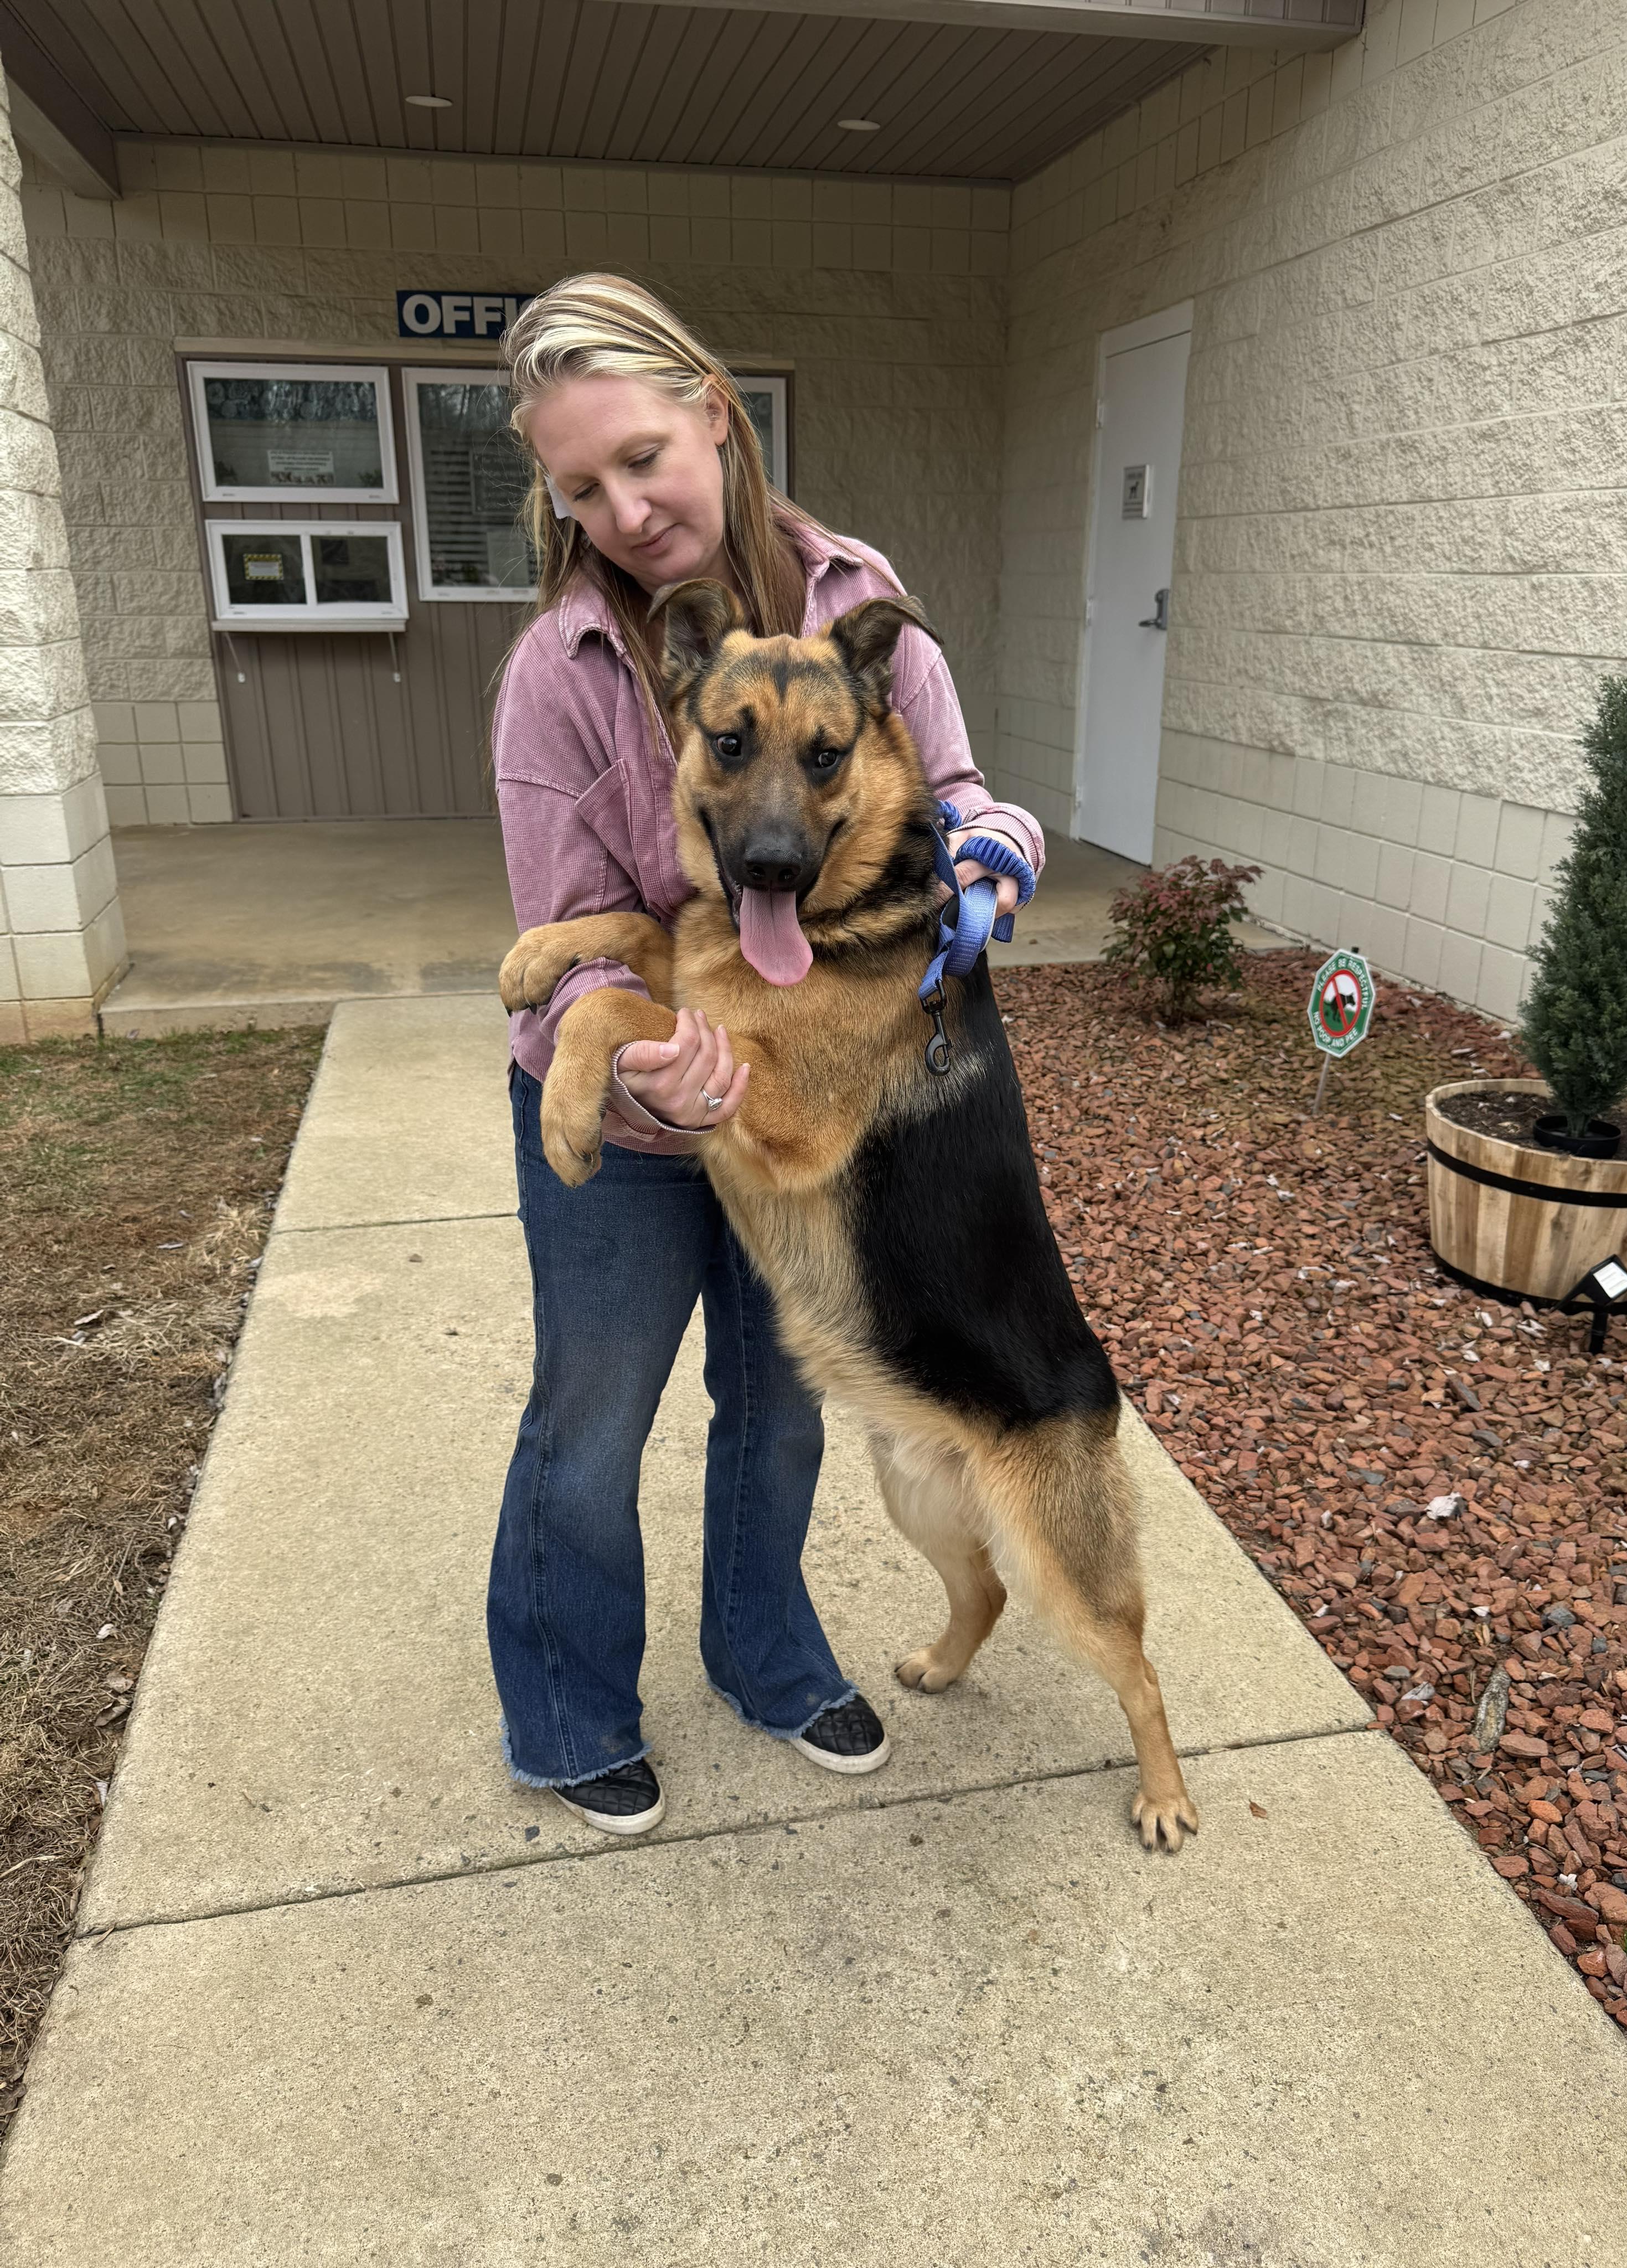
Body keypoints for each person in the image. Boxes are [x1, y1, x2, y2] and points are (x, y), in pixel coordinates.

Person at [488, 274, 1045, 1836]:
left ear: (715, 417)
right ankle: (567, 1702)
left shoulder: (864, 602)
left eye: (646, 456)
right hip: (628, 1092)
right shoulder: (562, 669)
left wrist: (995, 865)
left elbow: (973, 792)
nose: (625, 505)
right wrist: (643, 1056)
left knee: (785, 1403)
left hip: (800, 1102)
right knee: (592, 1415)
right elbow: (557, 943)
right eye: (580, 484)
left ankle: (764, 1651)